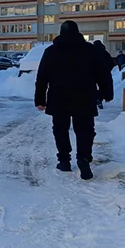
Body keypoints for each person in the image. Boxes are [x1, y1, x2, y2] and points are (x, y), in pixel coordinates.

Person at [34, 21, 113, 180]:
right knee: (85, 129)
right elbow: (103, 73)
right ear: (78, 32)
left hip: (59, 97)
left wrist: (40, 99)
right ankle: (83, 159)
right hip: (84, 96)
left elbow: (42, 77)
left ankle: (64, 160)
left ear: (61, 33)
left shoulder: (51, 51)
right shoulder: (90, 50)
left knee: (60, 129)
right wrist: (106, 92)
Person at [92, 40, 116, 109]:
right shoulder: (105, 53)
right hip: (104, 74)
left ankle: (96, 98)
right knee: (103, 88)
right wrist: (107, 69)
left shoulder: (92, 52)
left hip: (94, 74)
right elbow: (111, 63)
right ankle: (99, 98)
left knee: (92, 87)